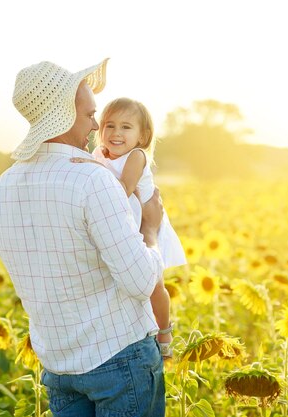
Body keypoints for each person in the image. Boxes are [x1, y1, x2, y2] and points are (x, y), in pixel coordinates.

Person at [0, 59, 166, 417]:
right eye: (89, 115)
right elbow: (141, 281)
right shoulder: (92, 180)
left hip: (57, 364)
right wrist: (150, 229)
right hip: (119, 358)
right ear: (64, 116)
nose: (96, 125)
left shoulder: (3, 185)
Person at [72, 98, 186, 358]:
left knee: (154, 284)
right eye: (109, 126)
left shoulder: (137, 156)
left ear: (142, 135)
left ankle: (165, 331)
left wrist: (90, 168)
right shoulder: (100, 154)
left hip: (146, 224)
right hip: (126, 225)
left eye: (126, 127)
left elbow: (121, 190)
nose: (116, 133)